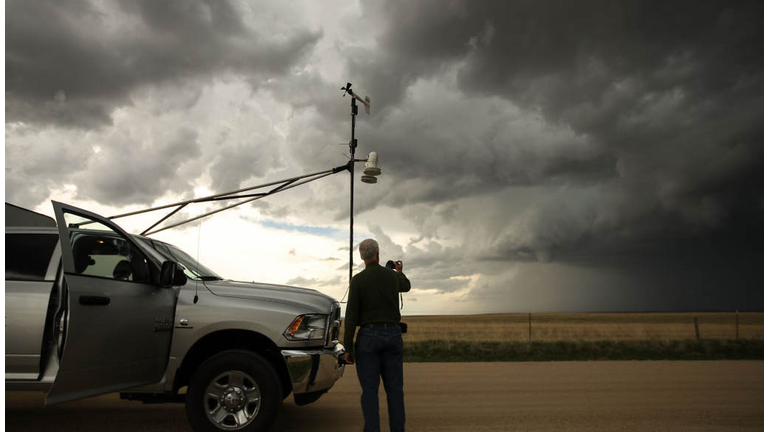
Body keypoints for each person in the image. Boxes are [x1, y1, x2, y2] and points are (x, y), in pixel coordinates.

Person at [343, 238, 411, 432]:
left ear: (362, 257)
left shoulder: (358, 280)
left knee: (370, 391)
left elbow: (351, 316)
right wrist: (398, 271)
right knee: (395, 390)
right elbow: (406, 286)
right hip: (393, 335)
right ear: (378, 254)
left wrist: (348, 347)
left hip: (368, 338)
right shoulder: (391, 276)